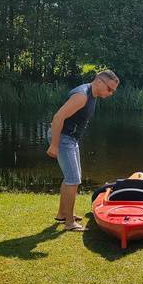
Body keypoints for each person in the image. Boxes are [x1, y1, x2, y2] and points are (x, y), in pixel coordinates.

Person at [46, 69, 119, 231]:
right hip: (63, 138)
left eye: (113, 91)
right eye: (110, 89)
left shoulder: (92, 95)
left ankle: (62, 214)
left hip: (70, 139)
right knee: (73, 180)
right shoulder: (82, 96)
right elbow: (58, 117)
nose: (111, 93)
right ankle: (70, 223)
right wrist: (55, 145)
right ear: (99, 82)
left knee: (71, 178)